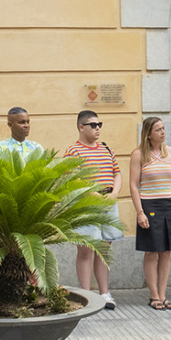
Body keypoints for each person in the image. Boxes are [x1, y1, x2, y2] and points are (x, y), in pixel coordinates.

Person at [65, 110, 123, 310]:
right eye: (93, 125)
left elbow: (117, 173)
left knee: (104, 250)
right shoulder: (73, 151)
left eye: (100, 125)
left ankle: (104, 293)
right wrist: (92, 193)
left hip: (108, 202)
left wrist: (114, 193)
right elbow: (72, 179)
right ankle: (85, 294)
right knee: (86, 250)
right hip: (87, 205)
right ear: (81, 127)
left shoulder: (106, 149)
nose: (97, 128)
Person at [130, 116, 171, 311]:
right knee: (152, 250)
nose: (163, 132)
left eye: (163, 129)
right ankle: (153, 295)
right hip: (149, 205)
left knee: (166, 251)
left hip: (170, 204)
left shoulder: (170, 152)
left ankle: (163, 295)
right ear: (148, 134)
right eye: (158, 130)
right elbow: (134, 186)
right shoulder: (138, 154)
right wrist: (140, 212)